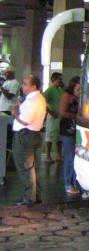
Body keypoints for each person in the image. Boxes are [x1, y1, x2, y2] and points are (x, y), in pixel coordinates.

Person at [11, 74, 47, 206]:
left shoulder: (32, 101)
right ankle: (35, 195)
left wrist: (15, 113)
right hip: (34, 135)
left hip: (25, 136)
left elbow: (25, 121)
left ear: (33, 86)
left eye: (25, 84)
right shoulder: (39, 98)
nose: (22, 86)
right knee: (31, 167)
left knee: (25, 168)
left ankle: (28, 198)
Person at [59, 77, 80, 194]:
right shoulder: (66, 96)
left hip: (77, 129)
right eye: (78, 88)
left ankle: (74, 181)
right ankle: (68, 183)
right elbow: (62, 112)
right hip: (67, 129)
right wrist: (75, 116)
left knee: (77, 157)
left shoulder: (80, 97)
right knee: (69, 157)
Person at [43, 72, 64, 163]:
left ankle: (58, 154)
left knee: (59, 137)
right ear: (54, 80)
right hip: (53, 117)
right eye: (59, 79)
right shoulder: (50, 90)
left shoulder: (60, 90)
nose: (61, 81)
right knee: (50, 136)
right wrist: (50, 112)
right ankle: (48, 155)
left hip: (60, 116)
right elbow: (42, 102)